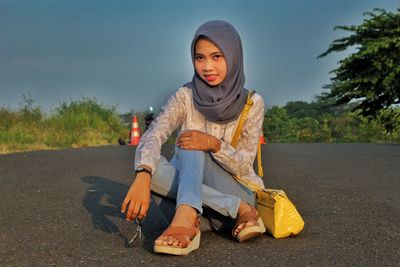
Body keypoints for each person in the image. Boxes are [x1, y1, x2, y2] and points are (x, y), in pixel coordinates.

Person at [121, 20, 266, 256]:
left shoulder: (252, 103)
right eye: (200, 58)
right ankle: (222, 210)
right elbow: (155, 132)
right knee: (151, 166)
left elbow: (243, 165)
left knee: (191, 142)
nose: (207, 67)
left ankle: (190, 214)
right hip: (211, 210)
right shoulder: (186, 96)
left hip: (235, 188)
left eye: (217, 56)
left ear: (233, 55)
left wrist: (212, 144)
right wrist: (143, 173)